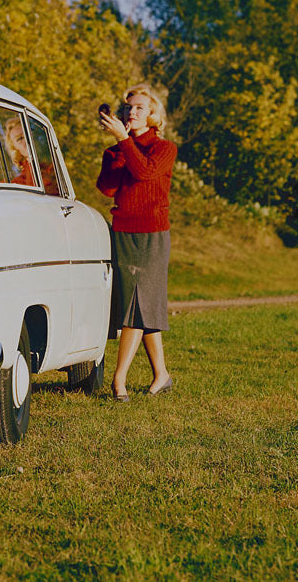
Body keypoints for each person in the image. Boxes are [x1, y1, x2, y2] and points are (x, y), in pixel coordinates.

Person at [96, 83, 177, 401]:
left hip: (152, 236)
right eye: (128, 108)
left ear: (153, 114)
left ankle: (119, 381)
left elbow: (145, 173)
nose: (132, 112)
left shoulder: (164, 148)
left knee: (135, 307)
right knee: (143, 306)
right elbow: (107, 188)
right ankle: (162, 375)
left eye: (140, 108)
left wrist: (122, 141)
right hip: (123, 234)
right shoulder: (119, 148)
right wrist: (116, 151)